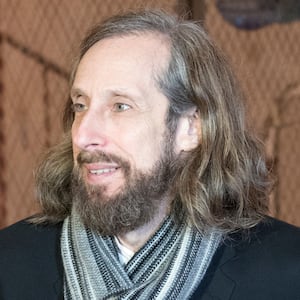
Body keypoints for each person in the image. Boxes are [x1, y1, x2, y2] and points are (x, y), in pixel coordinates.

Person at [0, 10, 299, 300]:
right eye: (80, 105)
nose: (82, 136)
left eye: (120, 106)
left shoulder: (286, 274)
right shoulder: (10, 263)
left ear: (191, 128)